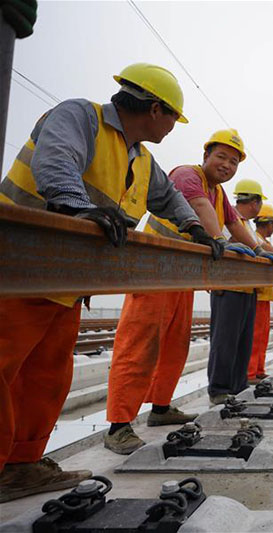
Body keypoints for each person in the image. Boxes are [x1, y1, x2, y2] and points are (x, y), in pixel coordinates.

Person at [0, 63, 220, 500]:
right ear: (156, 109)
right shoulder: (81, 117)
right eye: (174, 118)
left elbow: (168, 197)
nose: (174, 127)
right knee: (4, 368)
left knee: (47, 377)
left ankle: (21, 466)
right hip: (17, 271)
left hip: (65, 283)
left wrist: (193, 227)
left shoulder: (141, 158)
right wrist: (74, 205)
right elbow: (57, 159)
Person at [103, 130, 273, 455]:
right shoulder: (189, 176)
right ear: (206, 155)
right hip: (154, 271)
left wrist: (260, 250)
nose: (226, 165)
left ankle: (160, 408)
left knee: (174, 343)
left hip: (179, 275)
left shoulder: (219, 192)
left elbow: (236, 224)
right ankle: (118, 427)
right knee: (140, 343)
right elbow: (201, 210)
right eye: (221, 157)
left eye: (233, 161)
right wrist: (223, 242)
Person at [246, 203, 273, 384]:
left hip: (264, 297)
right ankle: (251, 373)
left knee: (262, 335)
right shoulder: (257, 239)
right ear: (268, 223)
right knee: (255, 335)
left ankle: (259, 369)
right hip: (258, 296)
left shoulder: (263, 240)